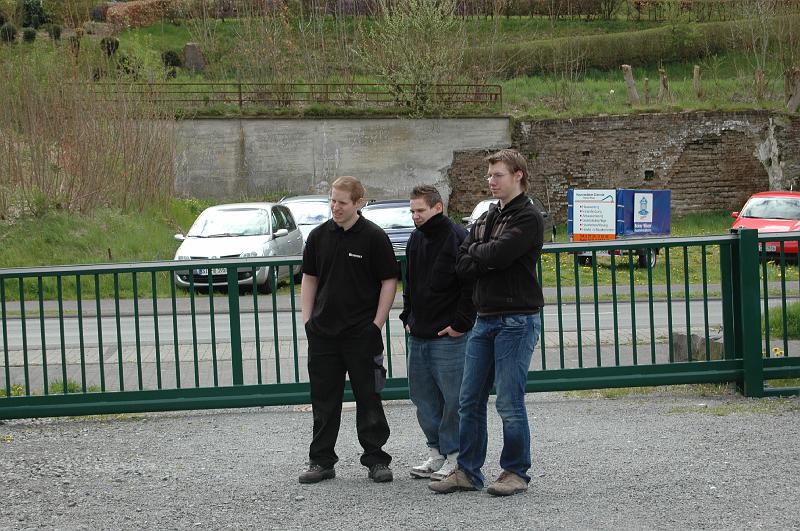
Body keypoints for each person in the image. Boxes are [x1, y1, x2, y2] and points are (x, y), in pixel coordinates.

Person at [429, 148, 544, 497]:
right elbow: (462, 261)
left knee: (508, 401)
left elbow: (497, 254)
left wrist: (482, 252)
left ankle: (515, 472)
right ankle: (468, 471)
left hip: (517, 320)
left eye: (498, 175)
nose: (491, 181)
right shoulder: (489, 216)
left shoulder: (528, 217)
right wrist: (485, 254)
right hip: (485, 318)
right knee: (469, 399)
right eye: (489, 175)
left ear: (518, 176)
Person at [298, 176, 398, 484]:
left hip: (361, 334)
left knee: (369, 398)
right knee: (323, 401)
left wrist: (376, 325)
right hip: (323, 335)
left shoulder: (374, 237)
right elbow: (310, 278)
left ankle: (376, 459)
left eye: (342, 202)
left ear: (358, 203)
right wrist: (308, 321)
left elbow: (389, 281)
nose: (335, 207)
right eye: (332, 200)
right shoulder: (318, 236)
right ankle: (321, 461)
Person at [400, 185, 475, 481]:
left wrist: (461, 323)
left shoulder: (457, 237)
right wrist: (407, 315)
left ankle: (455, 456)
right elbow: (409, 281)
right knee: (423, 398)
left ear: (438, 207)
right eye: (412, 211)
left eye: (420, 210)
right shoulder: (415, 238)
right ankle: (436, 453)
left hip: (449, 336)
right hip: (418, 332)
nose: (415, 216)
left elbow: (470, 284)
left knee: (453, 399)